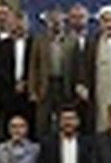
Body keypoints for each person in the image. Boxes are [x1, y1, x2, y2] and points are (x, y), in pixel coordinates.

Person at [29, 8, 84, 139]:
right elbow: (33, 66)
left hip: (64, 86)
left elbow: (78, 66)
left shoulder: (72, 40)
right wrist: (32, 90)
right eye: (53, 21)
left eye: (59, 21)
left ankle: (63, 146)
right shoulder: (39, 39)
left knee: (64, 119)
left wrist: (78, 86)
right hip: (45, 85)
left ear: (64, 22)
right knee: (42, 121)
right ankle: (42, 146)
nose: (56, 24)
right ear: (48, 23)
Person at [0, 12, 35, 130]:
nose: (19, 26)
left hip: (29, 92)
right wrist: (14, 84)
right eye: (16, 23)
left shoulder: (35, 44)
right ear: (10, 24)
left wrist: (26, 83)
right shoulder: (2, 45)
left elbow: (38, 67)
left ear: (28, 25)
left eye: (22, 23)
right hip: (8, 92)